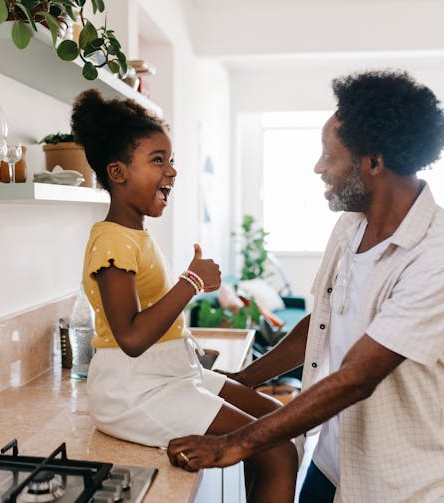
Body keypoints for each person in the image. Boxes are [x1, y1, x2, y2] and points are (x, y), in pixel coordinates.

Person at [167, 70, 444, 503]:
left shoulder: (442, 254)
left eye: (328, 155)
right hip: (335, 463)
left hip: (408, 486)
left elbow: (358, 378)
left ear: (373, 162)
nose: (318, 167)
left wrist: (236, 443)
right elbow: (323, 323)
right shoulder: (350, 226)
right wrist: (245, 378)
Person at [71, 89, 298, 502]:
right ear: (118, 173)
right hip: (134, 391)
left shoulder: (132, 234)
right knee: (277, 452)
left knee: (279, 423)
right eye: (158, 160)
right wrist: (191, 282)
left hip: (170, 375)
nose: (172, 171)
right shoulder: (111, 242)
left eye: (171, 160)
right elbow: (132, 338)